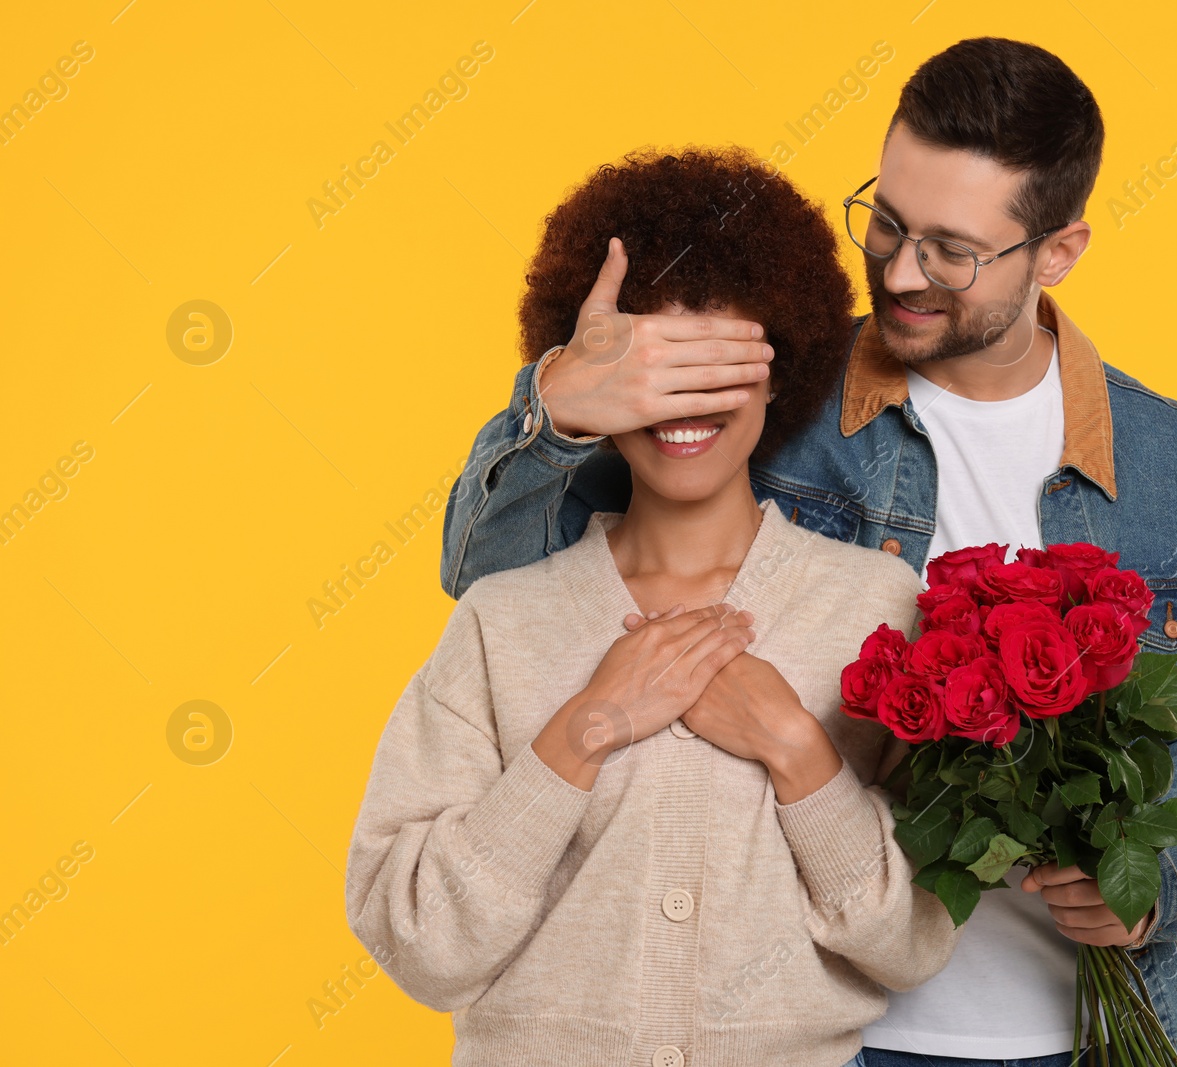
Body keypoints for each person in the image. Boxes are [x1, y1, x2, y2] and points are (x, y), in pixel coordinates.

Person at [437, 37, 1177, 1067]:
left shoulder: (1176, 459)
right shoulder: (772, 392)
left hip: (1090, 1031)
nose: (902, 272)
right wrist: (552, 413)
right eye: (886, 221)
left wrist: (1154, 886)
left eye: (953, 250)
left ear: (1056, 251)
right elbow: (501, 593)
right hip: (822, 1029)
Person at [346, 147, 961, 1067]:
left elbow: (917, 936)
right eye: (653, 367)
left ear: (779, 369)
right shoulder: (501, 619)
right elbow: (418, 941)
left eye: (717, 362)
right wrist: (585, 730)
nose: (685, 403)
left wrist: (799, 750)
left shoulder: (876, 607)